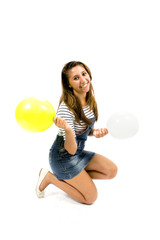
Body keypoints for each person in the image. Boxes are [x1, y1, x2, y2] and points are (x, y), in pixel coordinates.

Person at [36, 61, 118, 205]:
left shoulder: (88, 99)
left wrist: (94, 132)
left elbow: (82, 129)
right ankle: (51, 178)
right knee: (90, 198)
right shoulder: (66, 110)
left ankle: (73, 180)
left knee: (111, 171)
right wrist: (67, 129)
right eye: (76, 78)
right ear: (68, 84)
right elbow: (71, 150)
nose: (83, 80)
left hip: (77, 152)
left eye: (84, 74)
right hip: (63, 157)